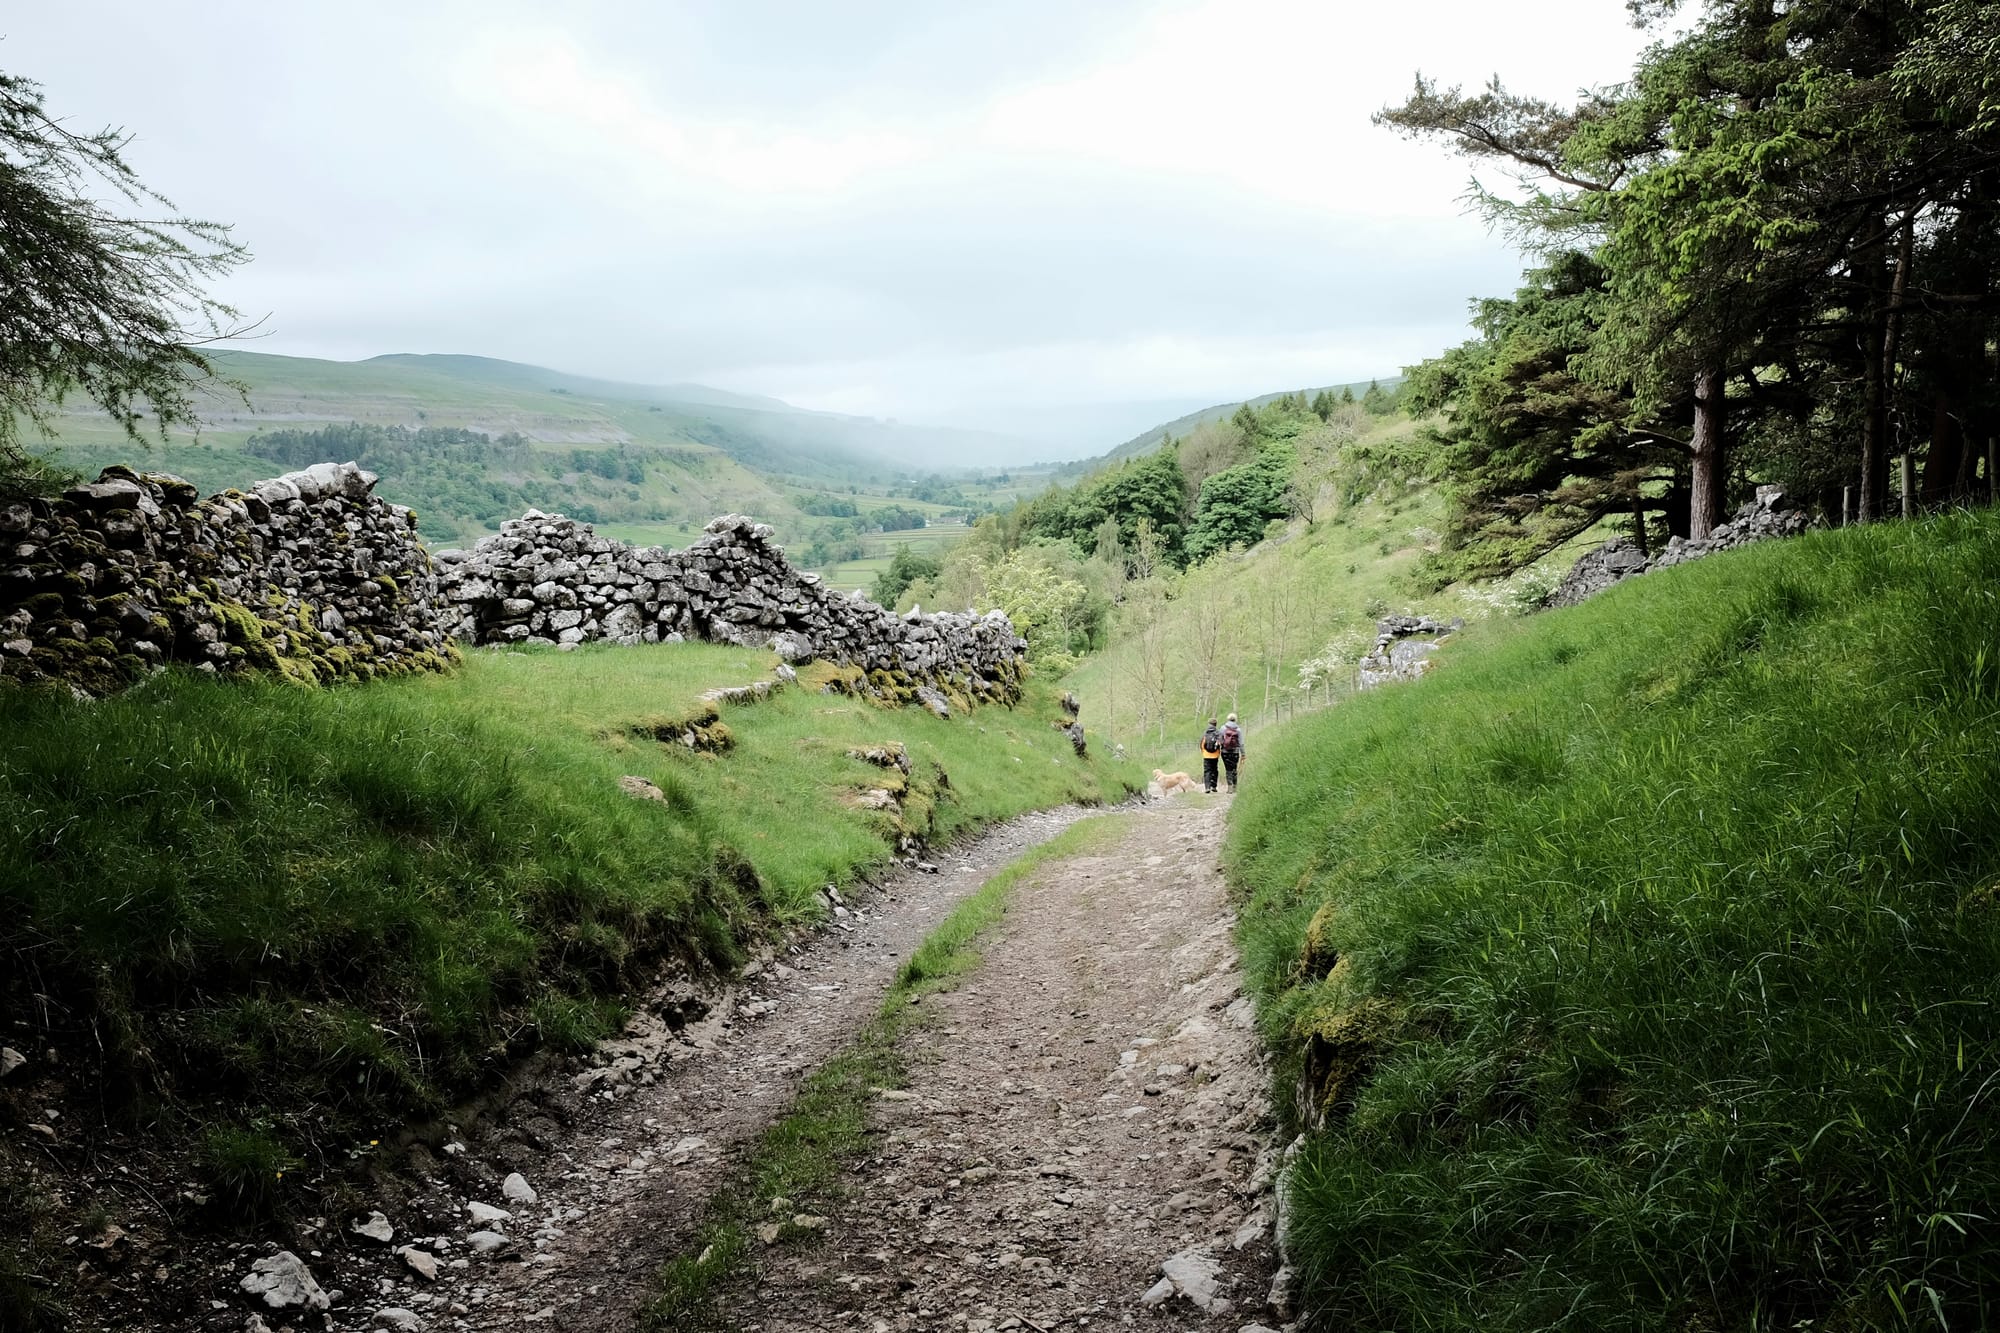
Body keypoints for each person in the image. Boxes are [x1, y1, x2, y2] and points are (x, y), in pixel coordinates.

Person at [1220, 712, 1244, 792]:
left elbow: (1220, 740)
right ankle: (1235, 787)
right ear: (1235, 719)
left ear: (1228, 719)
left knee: (1228, 769)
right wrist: (1243, 753)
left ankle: (1229, 787)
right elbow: (1241, 743)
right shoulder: (1238, 729)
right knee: (1234, 768)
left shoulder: (1223, 728)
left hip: (1225, 752)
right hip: (1235, 752)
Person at [1199, 717, 1222, 793]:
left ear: (1209, 724)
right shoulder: (1218, 732)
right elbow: (1220, 743)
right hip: (1215, 755)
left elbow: (1201, 744)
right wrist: (1218, 752)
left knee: (1207, 771)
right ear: (1216, 724)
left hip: (1206, 755)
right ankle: (1214, 786)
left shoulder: (1205, 733)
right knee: (1214, 770)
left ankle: (1207, 787)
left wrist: (1203, 752)